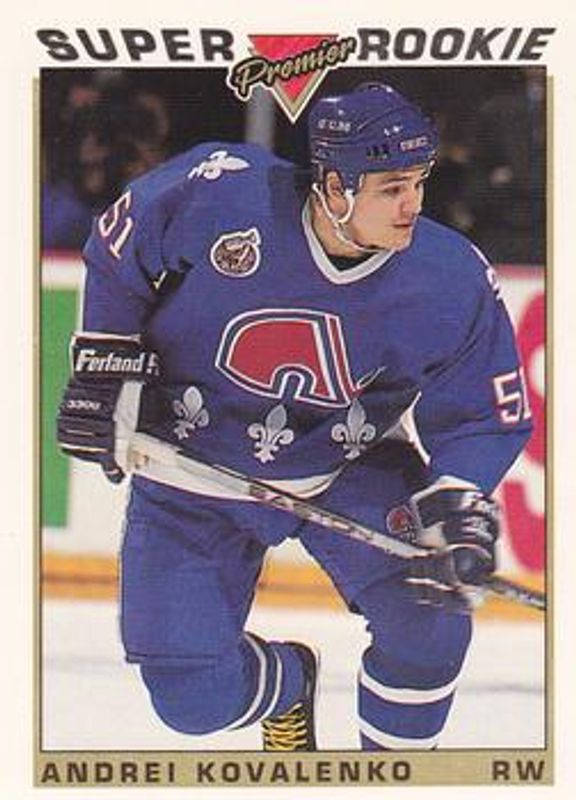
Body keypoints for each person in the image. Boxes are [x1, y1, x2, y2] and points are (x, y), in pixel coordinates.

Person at [56, 83, 533, 751]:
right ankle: (288, 684)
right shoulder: (222, 192)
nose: (414, 205)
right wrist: (106, 362)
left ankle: (392, 784)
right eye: (393, 188)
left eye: (419, 183)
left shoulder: (448, 274)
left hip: (346, 464)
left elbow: (482, 413)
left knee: (430, 626)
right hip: (193, 464)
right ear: (335, 187)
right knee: (192, 699)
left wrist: (456, 495)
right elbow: (119, 248)